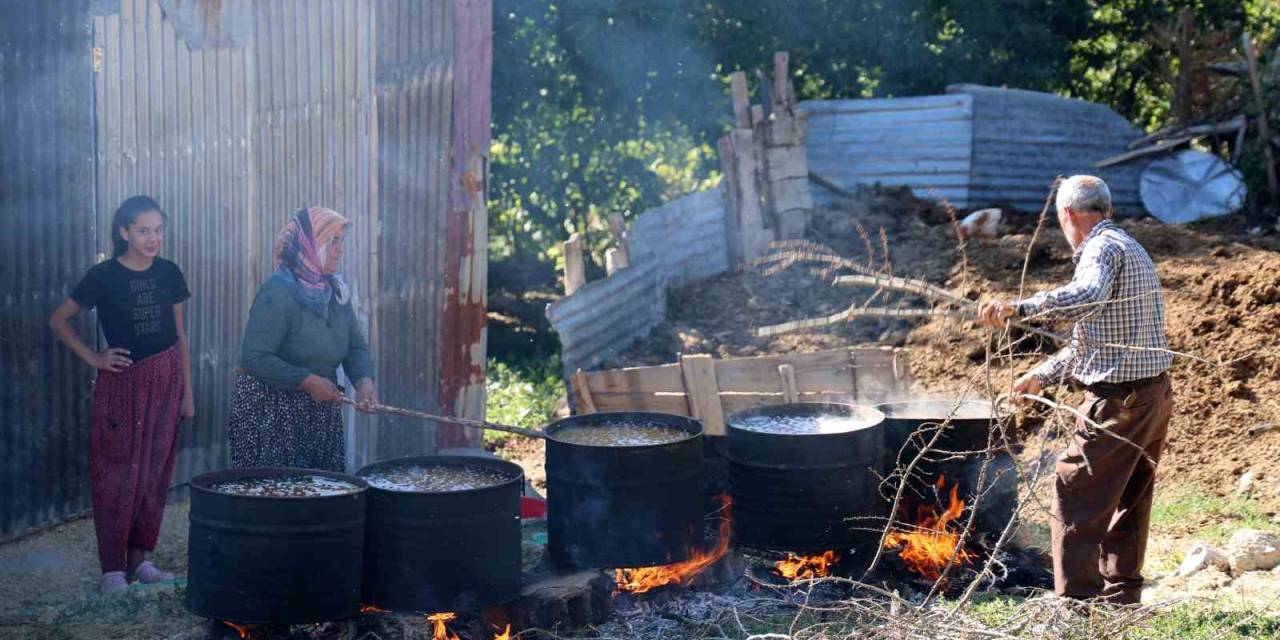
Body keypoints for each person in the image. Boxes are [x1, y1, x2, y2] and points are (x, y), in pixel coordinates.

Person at [978, 175, 1173, 605]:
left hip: (1119, 402)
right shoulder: (1126, 245)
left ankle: (1075, 605)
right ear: (1109, 209)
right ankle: (1121, 598)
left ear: (1067, 215)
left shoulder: (1100, 249)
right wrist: (1041, 376)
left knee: (1072, 490)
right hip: (1151, 397)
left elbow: (1088, 294)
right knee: (1129, 499)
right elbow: (1089, 342)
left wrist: (1022, 306)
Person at [49, 195, 195, 594]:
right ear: (124, 232)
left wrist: (187, 392)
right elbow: (59, 320)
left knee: (153, 471)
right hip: (124, 382)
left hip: (166, 379)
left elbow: (180, 336)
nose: (153, 239)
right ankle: (111, 570)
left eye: (158, 230)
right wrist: (94, 358)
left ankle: (140, 561)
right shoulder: (104, 276)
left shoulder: (168, 273)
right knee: (116, 472)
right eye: (144, 231)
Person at [227, 206, 377, 471]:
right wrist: (307, 382)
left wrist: (364, 383)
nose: (340, 249)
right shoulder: (278, 292)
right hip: (273, 414)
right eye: (332, 241)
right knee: (281, 499)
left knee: (319, 496)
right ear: (310, 244)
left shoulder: (335, 292)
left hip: (318, 410)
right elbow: (254, 357)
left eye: (341, 241)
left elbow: (355, 346)